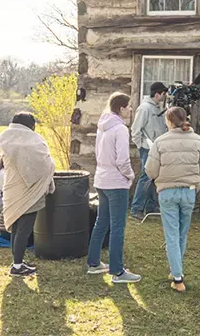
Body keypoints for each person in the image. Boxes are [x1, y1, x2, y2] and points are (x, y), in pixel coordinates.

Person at [145, 107, 200, 292]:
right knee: (182, 233)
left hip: (167, 192)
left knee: (171, 234)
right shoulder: (199, 141)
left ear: (169, 121)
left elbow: (150, 170)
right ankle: (177, 269)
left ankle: (177, 276)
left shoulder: (160, 142)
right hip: (189, 191)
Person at [87, 92, 141, 283]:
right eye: (129, 106)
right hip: (116, 182)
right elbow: (123, 160)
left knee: (102, 222)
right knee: (118, 227)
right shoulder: (120, 129)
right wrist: (130, 176)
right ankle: (118, 271)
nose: (131, 109)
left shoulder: (103, 125)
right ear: (121, 108)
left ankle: (93, 263)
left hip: (101, 179)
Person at [0, 112, 55, 277]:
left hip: (11, 188)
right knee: (24, 229)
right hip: (29, 191)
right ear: (31, 125)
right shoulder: (33, 141)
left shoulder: (5, 138)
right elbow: (44, 164)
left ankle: (17, 262)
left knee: (16, 228)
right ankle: (17, 266)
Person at [130, 82, 169, 220]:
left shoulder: (158, 109)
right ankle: (136, 209)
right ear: (157, 94)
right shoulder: (144, 108)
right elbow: (135, 131)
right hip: (147, 149)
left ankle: (151, 208)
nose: (165, 97)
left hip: (157, 149)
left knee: (154, 177)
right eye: (164, 94)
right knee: (146, 178)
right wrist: (142, 146)